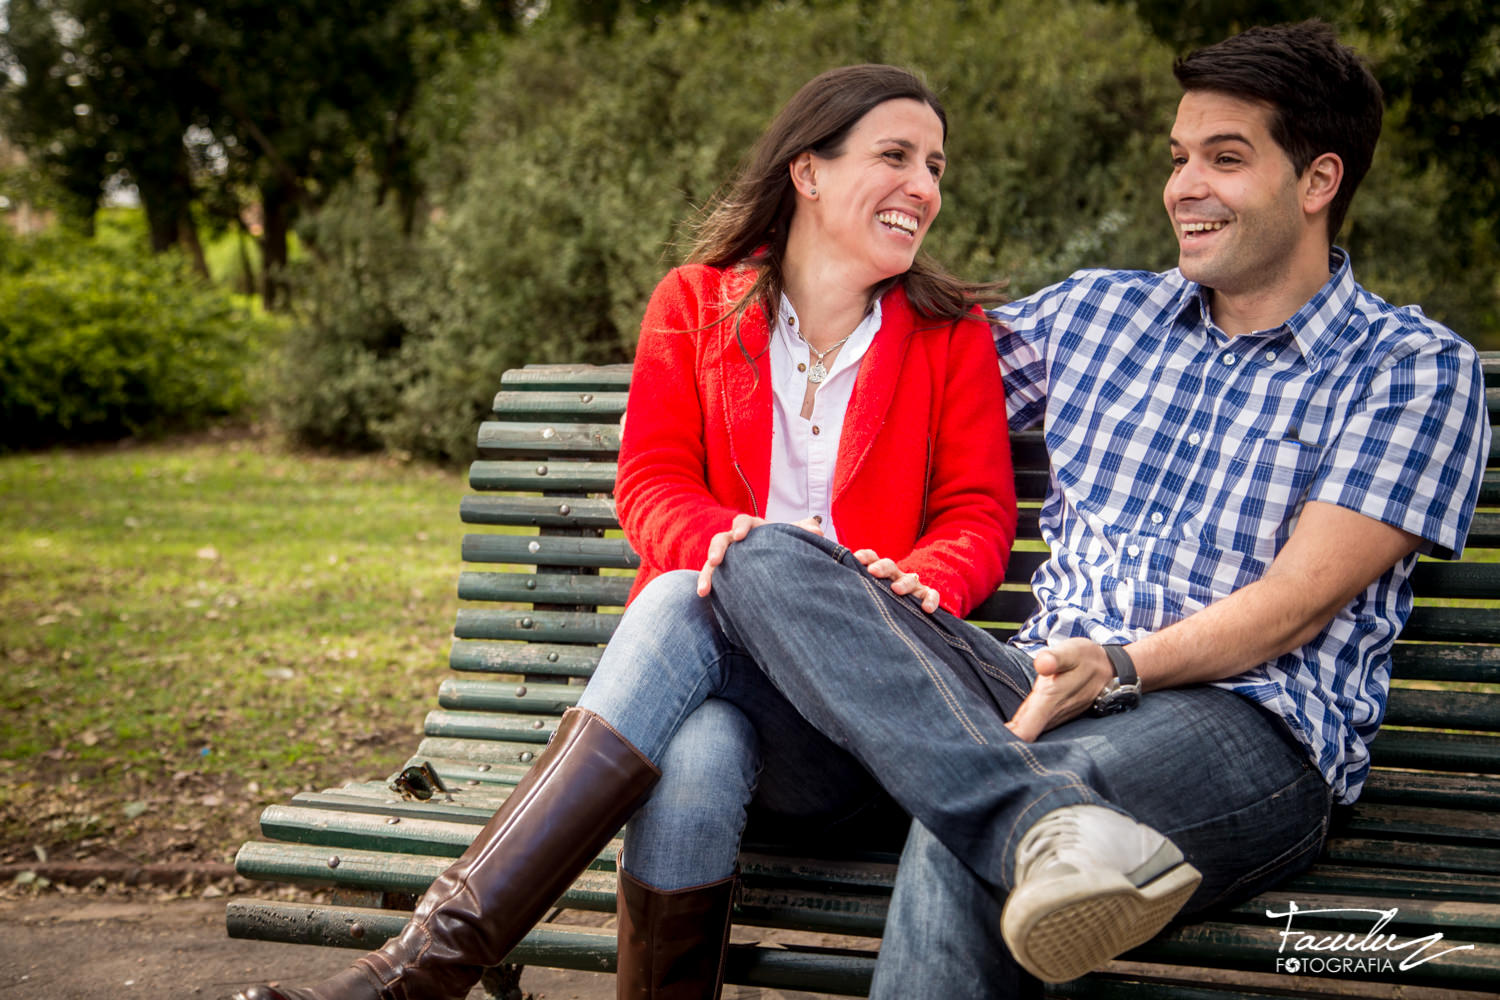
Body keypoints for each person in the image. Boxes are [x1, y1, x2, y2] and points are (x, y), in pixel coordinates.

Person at [696, 20, 1491, 998]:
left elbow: (1294, 603)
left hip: (1247, 726)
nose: (1184, 187)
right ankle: (1030, 813)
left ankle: (1028, 818)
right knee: (761, 558)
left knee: (982, 838)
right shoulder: (1097, 316)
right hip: (1028, 684)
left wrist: (1118, 666)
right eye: (1179, 157)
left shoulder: (1411, 369)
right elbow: (900, 369)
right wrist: (824, 232)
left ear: (1318, 180)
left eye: (1225, 158)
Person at [233, 64, 1017, 1000]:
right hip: (738, 706)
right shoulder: (695, 304)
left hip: (867, 732)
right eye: (896, 156)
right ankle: (424, 973)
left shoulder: (947, 333)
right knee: (697, 744)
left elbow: (976, 513)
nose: (925, 188)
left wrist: (921, 580)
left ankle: (417, 973)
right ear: (808, 172)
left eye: (935, 165)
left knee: (690, 600)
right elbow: (651, 482)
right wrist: (736, 557)